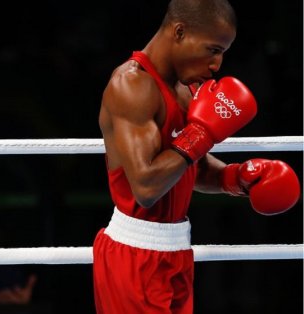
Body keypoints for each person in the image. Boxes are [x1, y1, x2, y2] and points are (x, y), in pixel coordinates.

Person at [93, 0, 301, 313]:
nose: (217, 64)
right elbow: (147, 187)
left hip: (176, 250)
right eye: (213, 49)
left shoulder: (187, 89)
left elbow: (189, 167)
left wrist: (236, 178)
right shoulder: (132, 86)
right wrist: (201, 135)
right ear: (179, 32)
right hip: (134, 254)